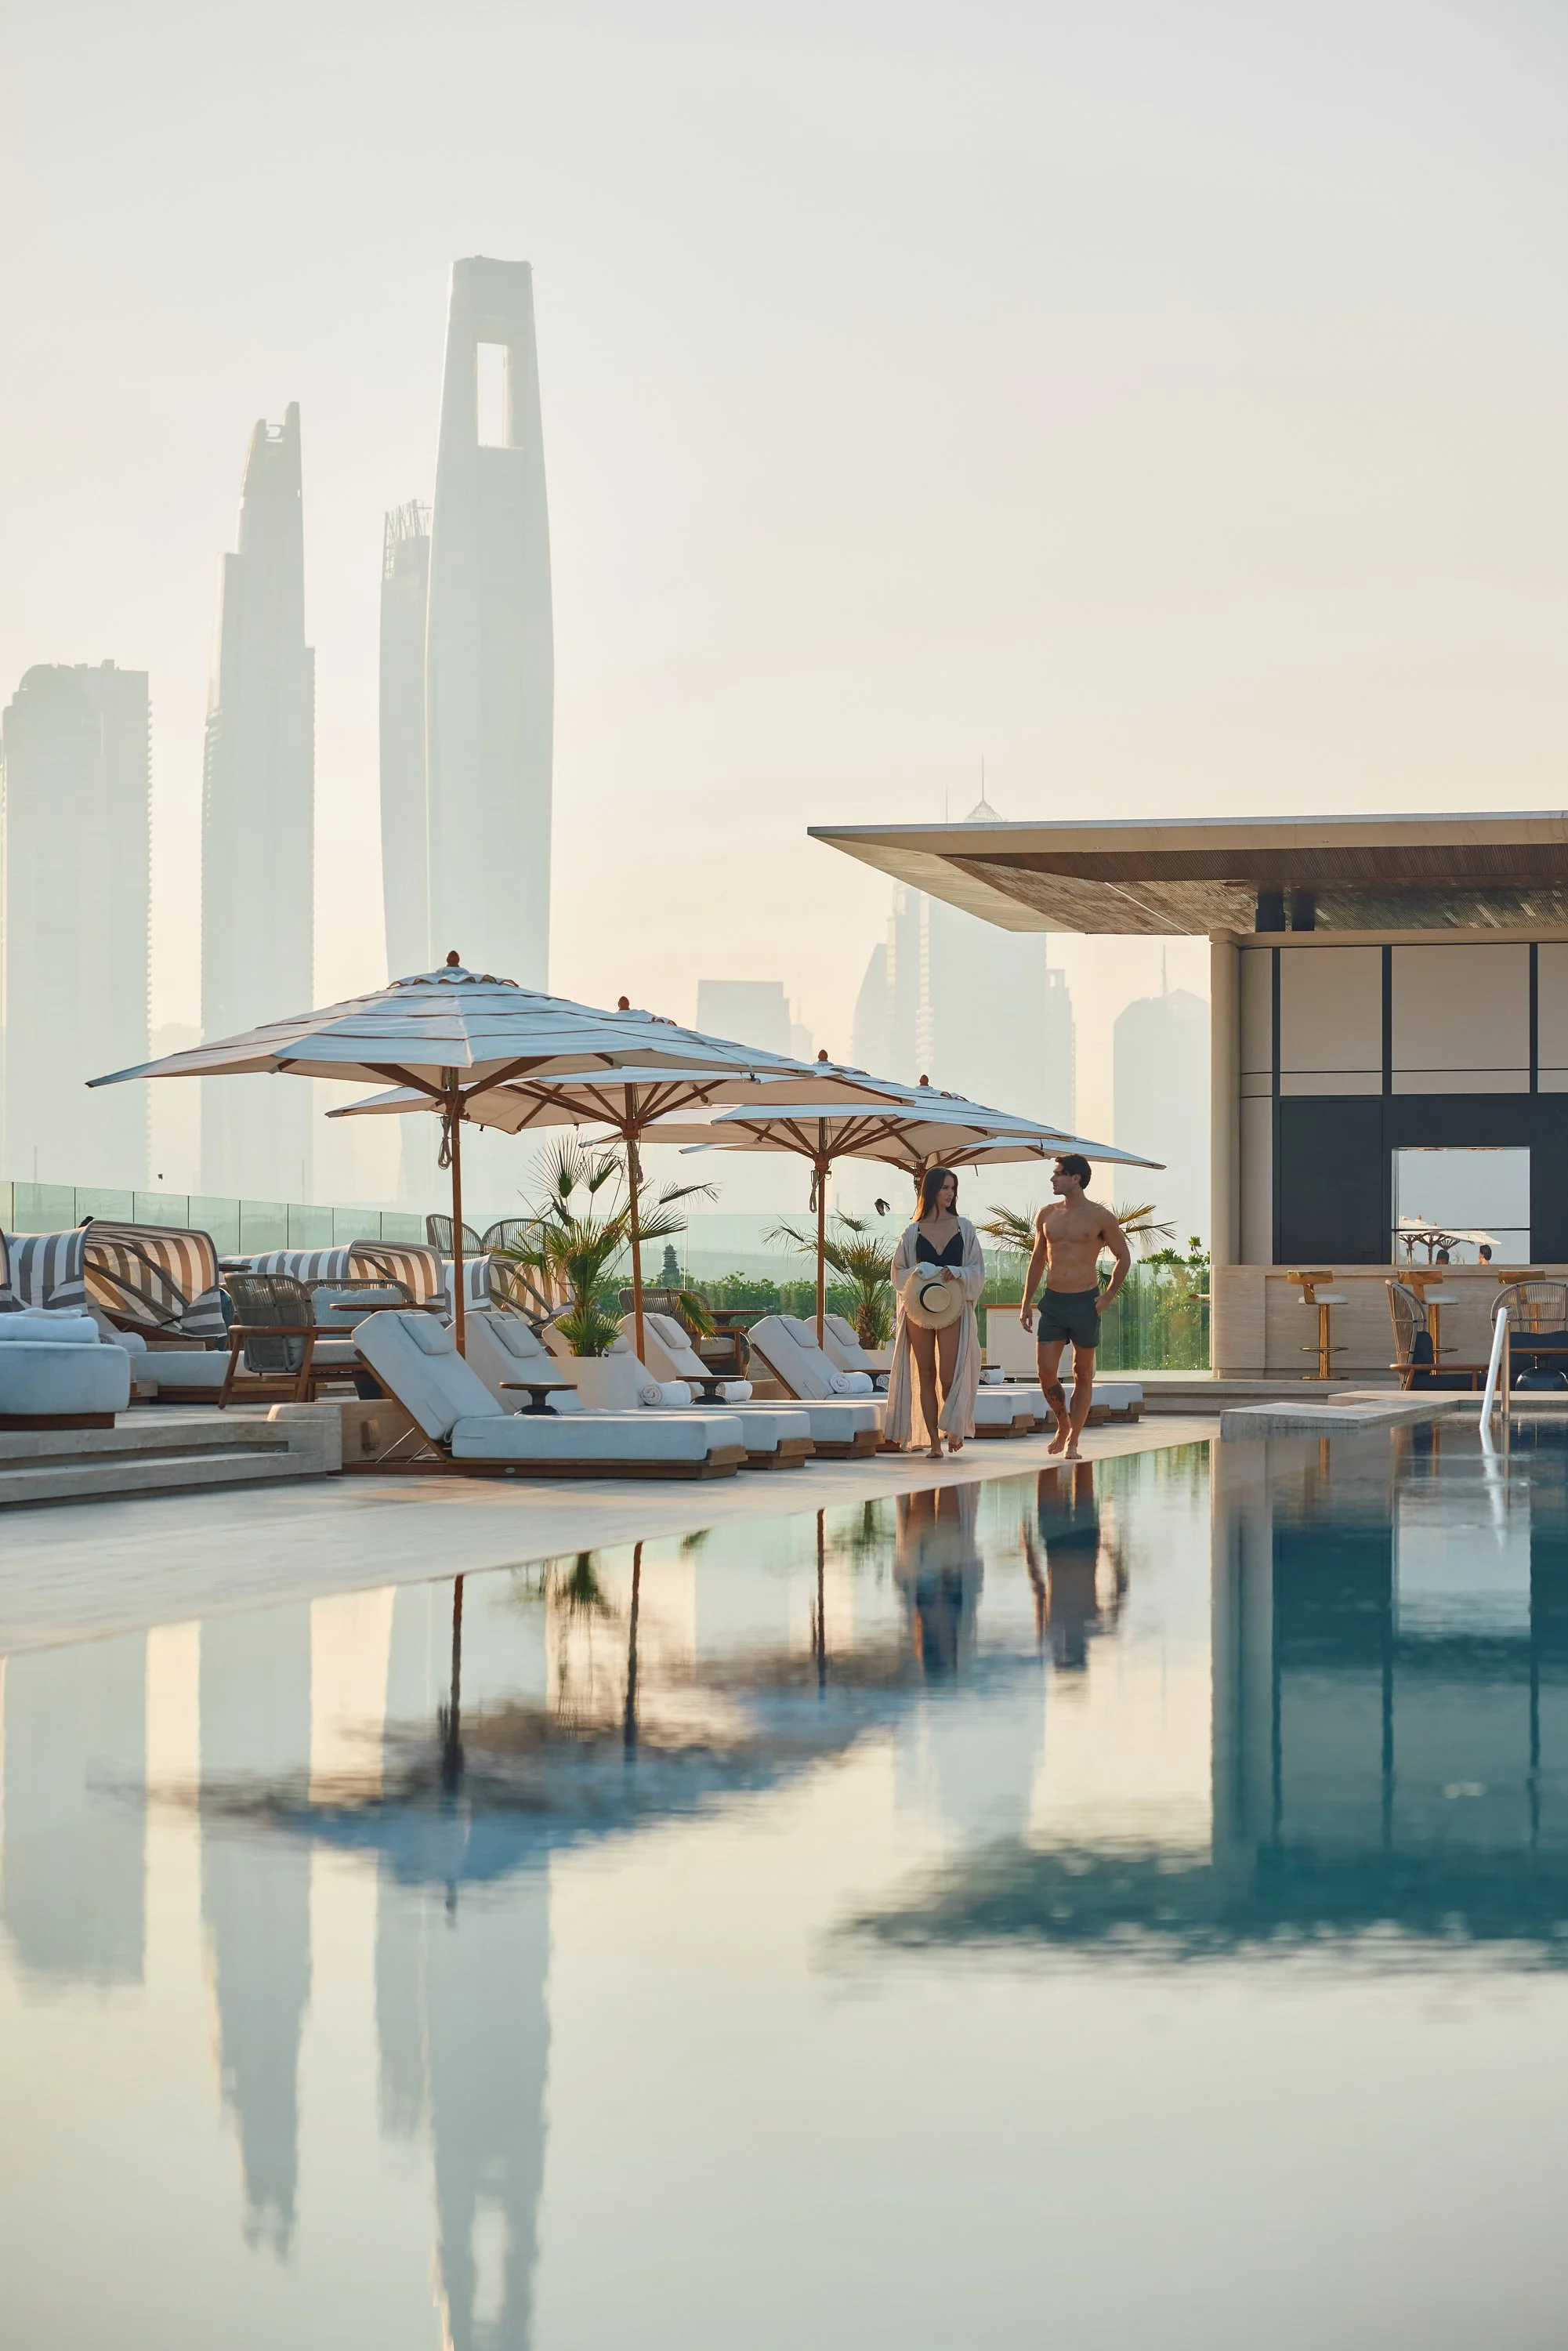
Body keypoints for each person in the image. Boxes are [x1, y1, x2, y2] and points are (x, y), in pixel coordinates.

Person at [1019, 1154, 1131, 1459]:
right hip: (1053, 1301)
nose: (1052, 1179)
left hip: (1085, 1302)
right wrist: (1026, 1302)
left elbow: (1124, 1257)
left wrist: (1107, 1297)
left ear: (1076, 1178)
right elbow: (1038, 1260)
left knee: (1083, 1373)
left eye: (1058, 1174)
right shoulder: (1046, 1214)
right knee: (1045, 1372)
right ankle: (1062, 1421)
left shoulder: (1100, 1217)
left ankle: (1074, 1441)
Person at [884, 1165, 986, 1461]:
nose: (950, 1193)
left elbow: (977, 1270)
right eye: (945, 1188)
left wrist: (956, 1271)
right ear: (931, 1191)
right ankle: (934, 1442)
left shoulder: (964, 1228)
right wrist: (918, 1270)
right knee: (926, 1372)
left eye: (953, 1188)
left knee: (949, 1376)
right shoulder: (911, 1232)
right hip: (919, 1308)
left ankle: (953, 1427)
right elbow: (897, 1273)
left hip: (953, 1308)